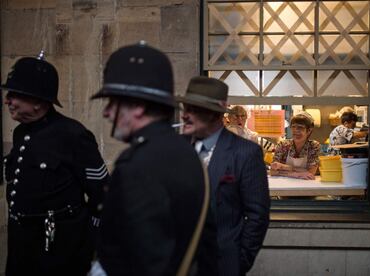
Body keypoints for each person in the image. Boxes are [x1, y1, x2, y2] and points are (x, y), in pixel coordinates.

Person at [90, 42, 216, 276]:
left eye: (112, 102)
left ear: (137, 106)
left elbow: (143, 261)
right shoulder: (184, 151)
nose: (107, 112)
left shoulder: (139, 164)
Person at [1, 53, 108, 276]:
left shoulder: (73, 135)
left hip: (60, 251)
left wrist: (89, 242)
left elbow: (102, 194)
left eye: (15, 95)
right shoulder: (22, 131)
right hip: (22, 246)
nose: (7, 100)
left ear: (39, 101)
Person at [177, 76, 270, 276]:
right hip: (177, 263)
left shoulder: (245, 152)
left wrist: (239, 261)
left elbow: (257, 216)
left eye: (194, 109)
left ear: (214, 114)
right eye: (186, 108)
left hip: (221, 263)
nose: (185, 115)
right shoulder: (177, 147)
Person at [270, 112, 320, 180]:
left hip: (306, 184)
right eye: (293, 127)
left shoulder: (313, 146)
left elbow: (311, 172)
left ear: (308, 131)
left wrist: (282, 167)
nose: (296, 130)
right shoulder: (283, 145)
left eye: (300, 127)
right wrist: (295, 174)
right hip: (284, 185)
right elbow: (273, 171)